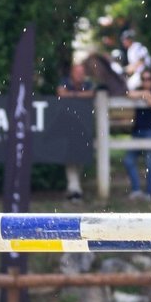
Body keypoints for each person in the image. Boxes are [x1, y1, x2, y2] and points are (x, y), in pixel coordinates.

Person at [57, 57, 96, 201]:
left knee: (79, 159)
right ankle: (75, 189)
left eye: (82, 72)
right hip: (68, 127)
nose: (79, 75)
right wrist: (78, 96)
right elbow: (61, 93)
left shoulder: (88, 84)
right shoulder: (65, 82)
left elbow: (91, 94)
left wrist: (72, 96)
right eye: (77, 72)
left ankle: (74, 187)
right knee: (70, 158)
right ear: (72, 73)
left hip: (83, 127)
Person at [123, 70, 151, 201]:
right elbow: (128, 94)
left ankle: (149, 193)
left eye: (149, 78)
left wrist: (144, 96)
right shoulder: (139, 89)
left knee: (150, 162)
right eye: (144, 79)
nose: (147, 81)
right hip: (138, 131)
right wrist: (144, 94)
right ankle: (136, 189)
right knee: (128, 160)